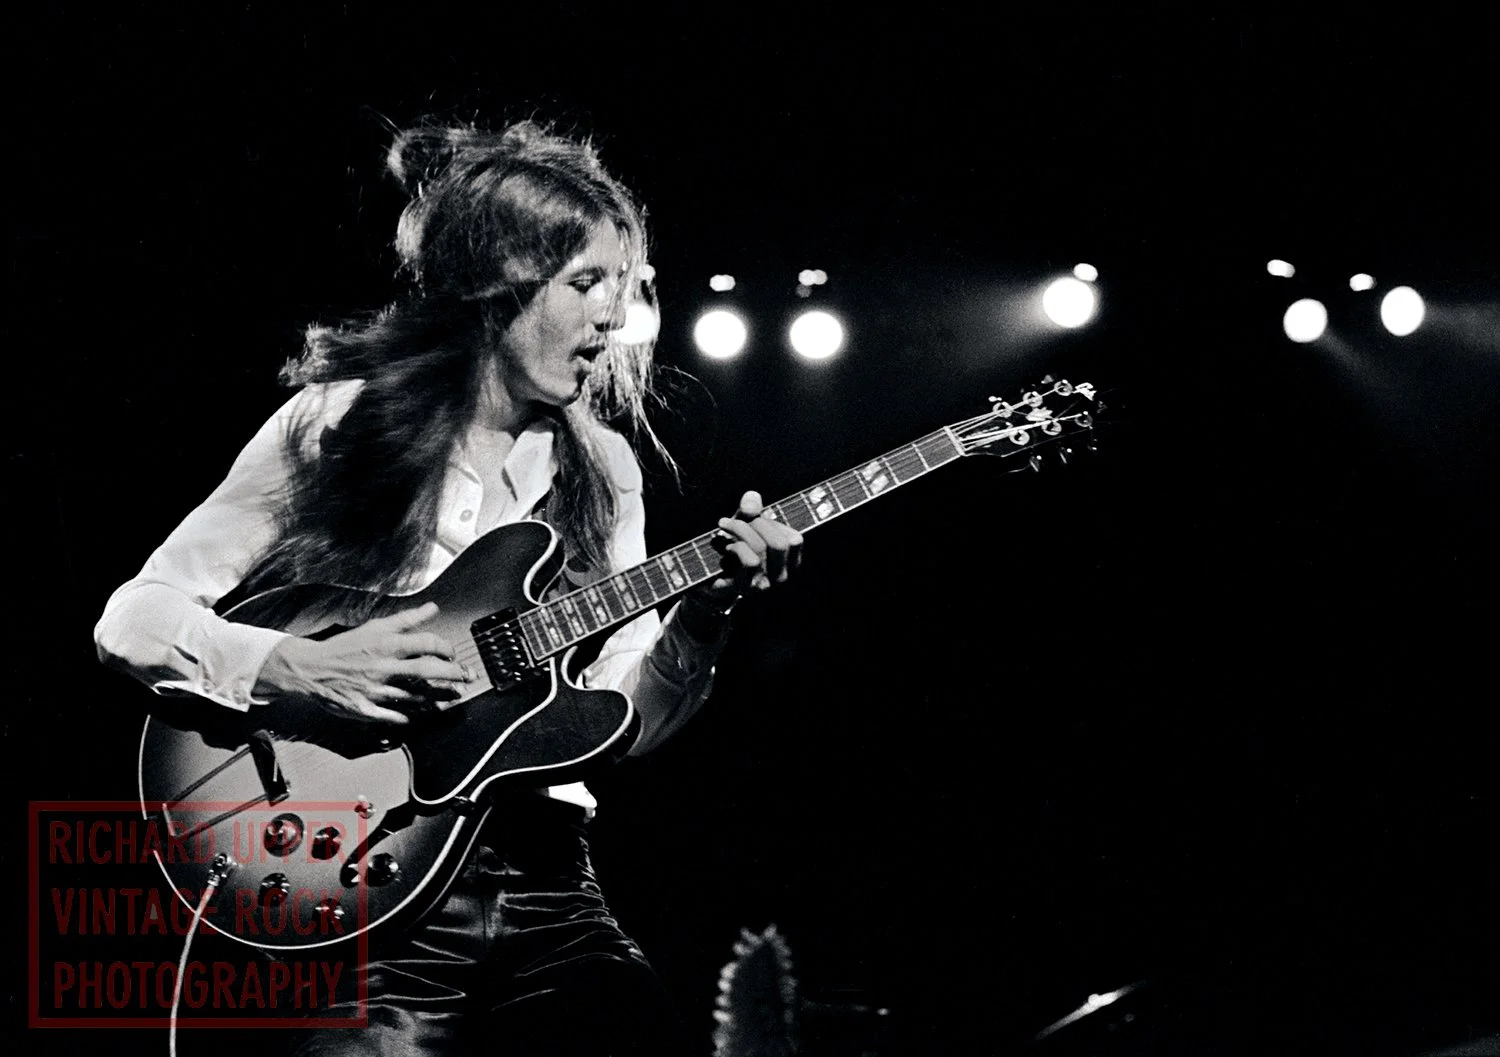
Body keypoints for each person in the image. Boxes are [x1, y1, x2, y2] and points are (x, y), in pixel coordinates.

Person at [94, 119, 803, 1057]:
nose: (610, 319)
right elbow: (135, 618)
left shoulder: (608, 472)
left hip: (551, 884)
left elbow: (623, 718)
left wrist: (707, 612)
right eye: (585, 284)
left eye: (622, 291)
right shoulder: (338, 422)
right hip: (367, 886)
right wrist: (301, 667)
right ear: (495, 285)